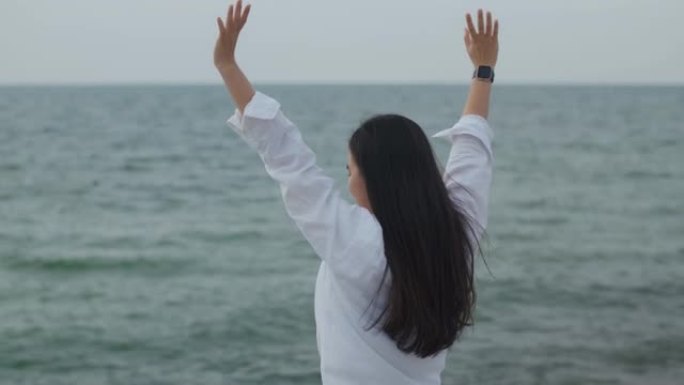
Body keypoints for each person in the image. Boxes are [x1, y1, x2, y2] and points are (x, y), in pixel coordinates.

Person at [214, 2, 498, 384]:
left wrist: (227, 66)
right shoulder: (456, 231)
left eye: (350, 170)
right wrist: (483, 71)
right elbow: (472, 149)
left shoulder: (356, 241)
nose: (347, 181)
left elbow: (286, 155)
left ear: (373, 178)